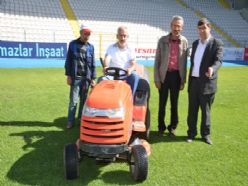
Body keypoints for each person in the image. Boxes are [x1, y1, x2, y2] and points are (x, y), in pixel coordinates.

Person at [187, 18, 224, 144]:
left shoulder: (217, 43)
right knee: (192, 111)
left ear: (210, 28)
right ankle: (191, 133)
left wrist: (212, 69)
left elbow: (218, 61)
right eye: (200, 28)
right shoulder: (195, 43)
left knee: (206, 112)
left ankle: (205, 135)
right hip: (194, 82)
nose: (202, 31)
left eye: (204, 28)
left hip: (208, 83)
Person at [154, 16, 188, 136]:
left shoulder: (184, 41)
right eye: (174, 25)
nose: (176, 28)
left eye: (179, 26)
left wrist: (183, 80)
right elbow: (157, 61)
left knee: (174, 104)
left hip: (176, 77)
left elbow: (184, 63)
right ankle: (161, 127)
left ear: (182, 28)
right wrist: (157, 79)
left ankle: (172, 127)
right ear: (171, 25)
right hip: (164, 76)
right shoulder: (162, 40)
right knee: (162, 103)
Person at [64, 24, 96, 129]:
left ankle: (81, 120)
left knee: (83, 101)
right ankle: (70, 121)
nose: (87, 35)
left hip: (86, 79)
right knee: (73, 101)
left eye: (89, 34)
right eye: (85, 33)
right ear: (81, 33)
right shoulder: (72, 44)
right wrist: (68, 75)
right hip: (75, 78)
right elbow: (68, 61)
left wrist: (93, 78)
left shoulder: (91, 47)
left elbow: (93, 64)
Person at [102, 26, 139, 96]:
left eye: (124, 36)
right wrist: (106, 66)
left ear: (127, 36)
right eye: (121, 35)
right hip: (112, 75)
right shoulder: (111, 47)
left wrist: (130, 69)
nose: (123, 38)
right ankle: (103, 103)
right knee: (102, 80)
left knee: (135, 76)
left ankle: (130, 98)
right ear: (117, 36)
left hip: (126, 75)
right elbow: (107, 58)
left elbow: (133, 64)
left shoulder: (131, 49)